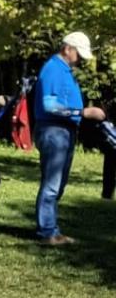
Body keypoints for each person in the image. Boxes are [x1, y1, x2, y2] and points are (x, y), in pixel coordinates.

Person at [33, 30, 105, 246]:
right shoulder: (53, 69)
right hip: (54, 130)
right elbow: (49, 105)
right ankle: (46, 233)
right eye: (79, 54)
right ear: (67, 49)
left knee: (58, 184)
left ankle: (52, 229)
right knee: (52, 184)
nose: (81, 59)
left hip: (64, 131)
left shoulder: (65, 70)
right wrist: (82, 113)